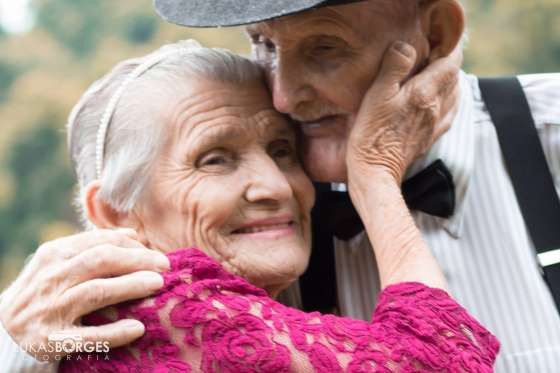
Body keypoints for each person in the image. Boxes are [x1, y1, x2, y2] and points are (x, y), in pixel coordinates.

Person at [1, 40, 499, 372]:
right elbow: (441, 359)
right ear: (114, 212)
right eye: (214, 159)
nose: (275, 186)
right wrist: (373, 174)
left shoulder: (93, 331)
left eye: (282, 150)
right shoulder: (167, 310)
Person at [152, 0, 560, 372]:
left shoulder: (550, 135)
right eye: (266, 46)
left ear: (436, 33)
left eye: (324, 48)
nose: (284, 98)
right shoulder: (260, 212)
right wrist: (86, 338)